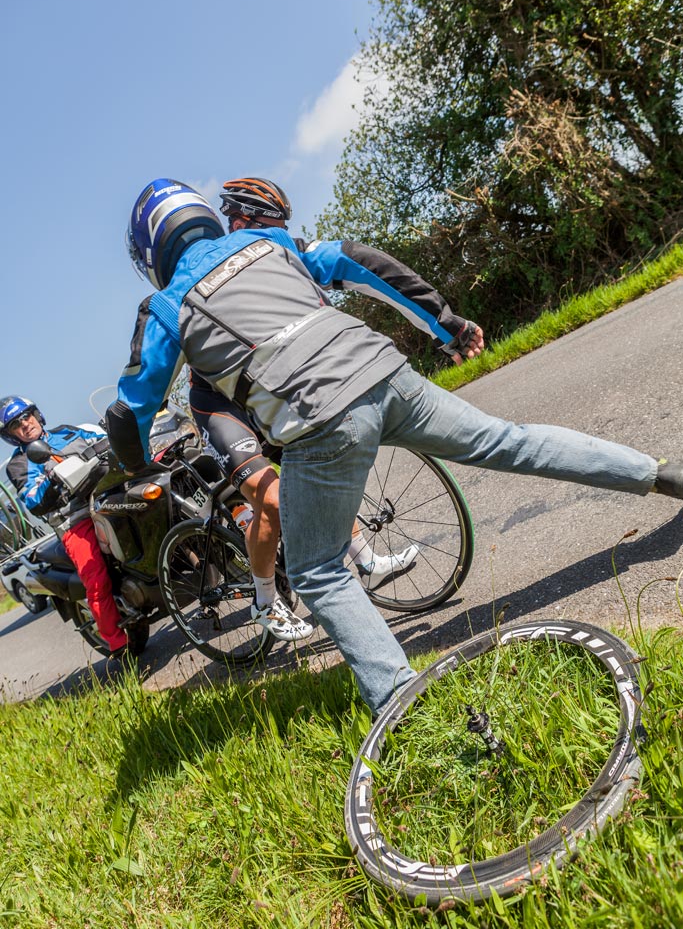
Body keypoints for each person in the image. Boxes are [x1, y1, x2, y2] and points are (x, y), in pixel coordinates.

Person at [106, 178, 683, 716]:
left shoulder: (165, 308)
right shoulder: (267, 242)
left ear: (149, 254)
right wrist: (447, 324)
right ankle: (658, 474)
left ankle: (401, 705)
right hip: (389, 375)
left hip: (320, 420)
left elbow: (131, 409)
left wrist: (135, 468)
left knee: (317, 571)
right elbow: (361, 261)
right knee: (510, 441)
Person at [187, 177, 419, 641]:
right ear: (239, 221)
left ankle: (363, 558)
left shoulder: (270, 257)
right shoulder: (199, 276)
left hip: (265, 392)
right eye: (268, 223)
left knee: (323, 462)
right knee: (273, 502)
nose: (277, 232)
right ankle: (264, 600)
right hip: (220, 405)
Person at [1, 396, 128, 656]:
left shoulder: (67, 431)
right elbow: (32, 499)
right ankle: (119, 646)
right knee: (95, 576)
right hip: (74, 518)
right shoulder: (19, 463)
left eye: (26, 416)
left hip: (109, 493)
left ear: (36, 414)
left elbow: (101, 438)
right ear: (11, 435)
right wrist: (52, 481)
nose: (25, 424)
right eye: (15, 424)